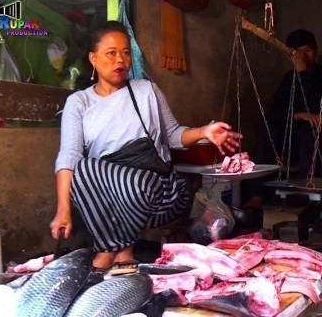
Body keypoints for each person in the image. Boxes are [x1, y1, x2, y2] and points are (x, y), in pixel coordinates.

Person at [50, 21, 242, 280]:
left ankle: (114, 249)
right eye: (111, 53)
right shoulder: (79, 102)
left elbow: (173, 135)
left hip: (158, 192)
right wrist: (63, 210)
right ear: (93, 59)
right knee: (82, 168)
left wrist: (203, 132)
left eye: (126, 52)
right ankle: (117, 250)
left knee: (135, 180)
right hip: (110, 198)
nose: (121, 59)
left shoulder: (145, 90)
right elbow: (69, 157)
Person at [268, 29, 322, 180]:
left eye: (308, 51)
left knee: (308, 128)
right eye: (297, 53)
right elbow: (274, 113)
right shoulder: (288, 79)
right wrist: (298, 115)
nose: (303, 57)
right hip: (292, 142)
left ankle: (309, 189)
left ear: (316, 51)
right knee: (268, 129)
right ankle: (257, 195)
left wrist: (303, 73)